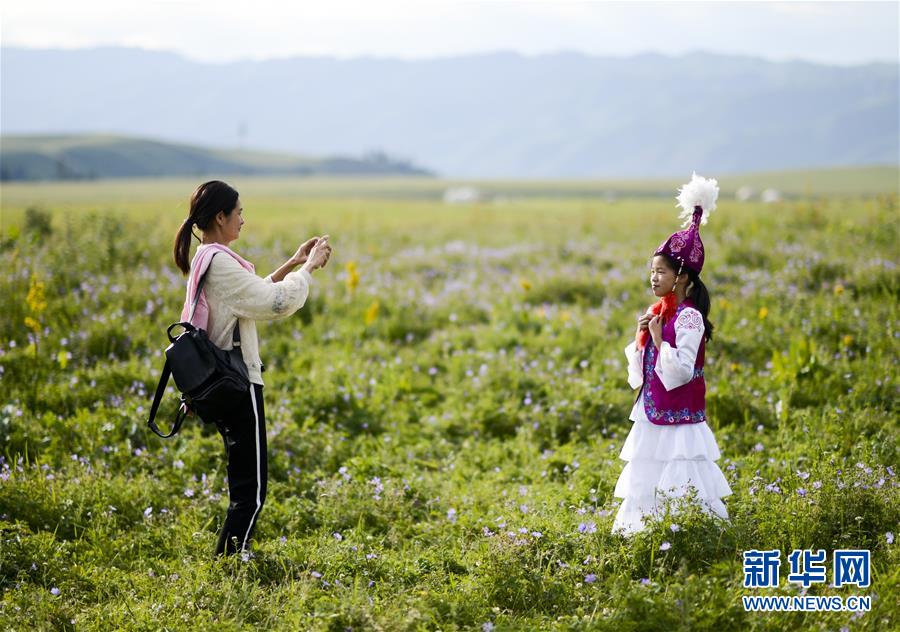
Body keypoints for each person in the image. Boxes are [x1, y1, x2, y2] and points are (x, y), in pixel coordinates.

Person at [172, 180, 332, 556]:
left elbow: (247, 295)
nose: (243, 220)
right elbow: (273, 303)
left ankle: (230, 559)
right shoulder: (221, 263)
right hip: (238, 385)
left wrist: (292, 262)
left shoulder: (207, 258)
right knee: (252, 490)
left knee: (245, 485)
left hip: (223, 383)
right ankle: (230, 564)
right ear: (220, 216)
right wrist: (308, 270)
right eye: (239, 212)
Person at [612, 173, 731, 535]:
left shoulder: (690, 317)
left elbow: (680, 370)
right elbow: (640, 373)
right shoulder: (660, 312)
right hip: (652, 412)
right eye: (651, 271)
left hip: (681, 419)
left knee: (683, 477)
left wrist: (661, 340)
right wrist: (641, 337)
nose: (653, 277)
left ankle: (690, 537)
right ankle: (651, 536)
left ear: (681, 276)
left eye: (660, 271)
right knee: (648, 475)